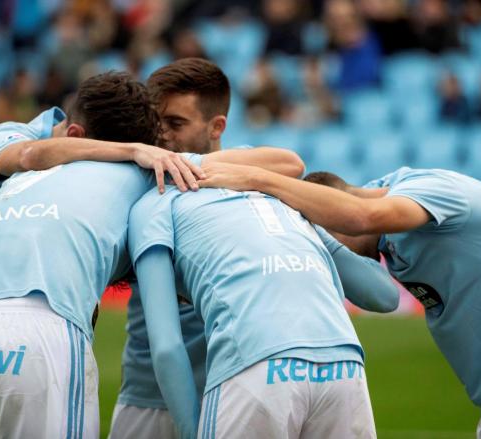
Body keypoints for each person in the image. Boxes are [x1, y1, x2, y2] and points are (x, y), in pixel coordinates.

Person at [0, 71, 202, 439]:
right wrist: (131, 151)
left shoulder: (74, 172)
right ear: (79, 137)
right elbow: (31, 155)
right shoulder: (6, 138)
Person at [110, 57, 398, 439]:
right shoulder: (147, 176)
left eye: (175, 124)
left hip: (239, 376)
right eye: (155, 123)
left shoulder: (255, 179)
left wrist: (186, 166)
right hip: (155, 393)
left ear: (217, 127)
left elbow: (290, 163)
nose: (161, 138)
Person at [197, 164, 481, 438]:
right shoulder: (391, 240)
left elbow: (363, 216)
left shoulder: (429, 187)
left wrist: (260, 179)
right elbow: (385, 299)